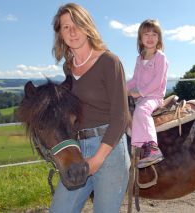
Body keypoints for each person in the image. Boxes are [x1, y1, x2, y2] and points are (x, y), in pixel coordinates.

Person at [50, 3, 130, 213]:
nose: (72, 31)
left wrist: (97, 159)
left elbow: (121, 117)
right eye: (65, 27)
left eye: (76, 24)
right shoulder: (69, 67)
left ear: (87, 26)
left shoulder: (109, 61)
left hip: (109, 150)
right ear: (60, 34)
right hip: (76, 150)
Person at [127, 19, 168, 169]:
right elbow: (135, 80)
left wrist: (140, 92)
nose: (150, 38)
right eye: (146, 34)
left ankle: (152, 148)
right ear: (140, 38)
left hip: (154, 96)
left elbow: (158, 81)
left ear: (159, 38)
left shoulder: (160, 57)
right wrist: (120, 89)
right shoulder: (140, 58)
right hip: (141, 96)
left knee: (142, 110)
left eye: (154, 34)